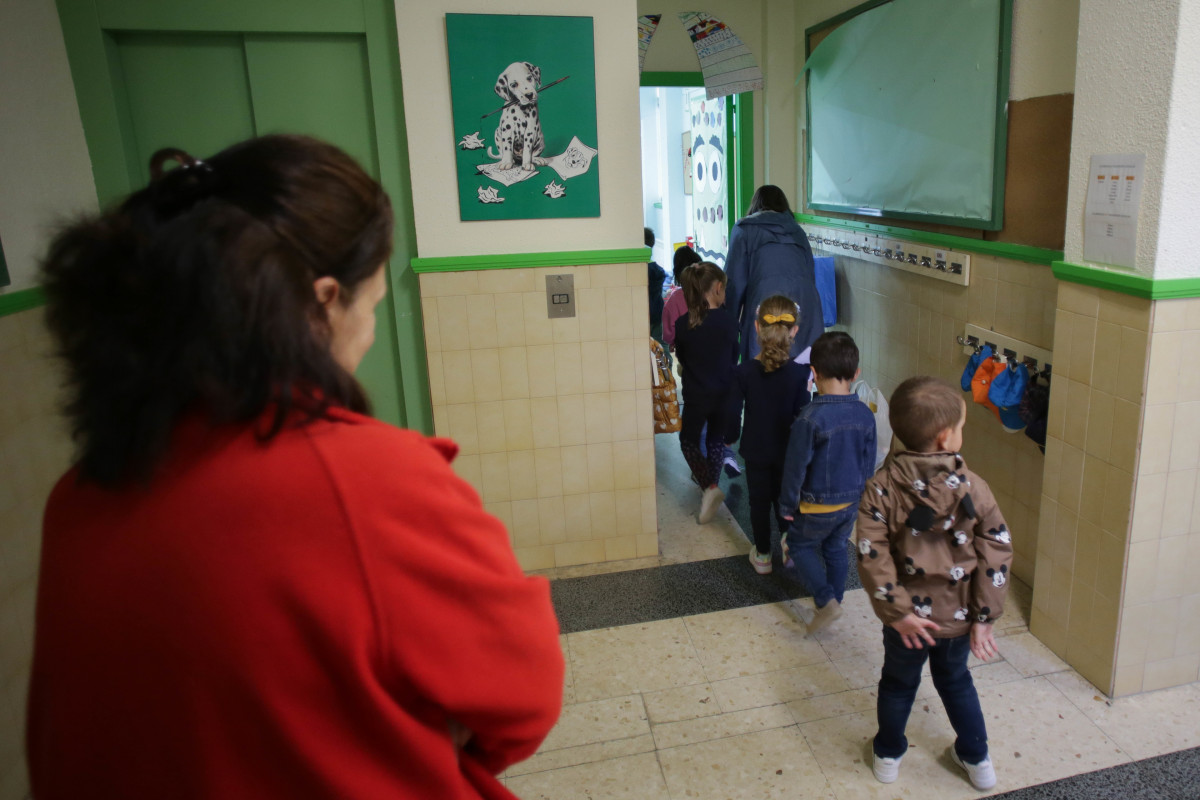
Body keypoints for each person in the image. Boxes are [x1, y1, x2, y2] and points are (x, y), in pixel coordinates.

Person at [27, 135, 564, 800]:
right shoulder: (373, 484)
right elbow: (523, 697)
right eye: (370, 306)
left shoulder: (80, 495)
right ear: (324, 301)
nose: (368, 332)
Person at [856, 376, 1012, 791]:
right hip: (957, 617)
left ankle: (888, 754)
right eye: (960, 427)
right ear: (946, 439)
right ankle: (977, 760)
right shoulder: (974, 488)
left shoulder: (880, 490)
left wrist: (899, 613)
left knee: (897, 683)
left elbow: (873, 555)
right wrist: (984, 616)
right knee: (956, 681)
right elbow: (996, 552)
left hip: (907, 621)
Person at [778, 332, 876, 633]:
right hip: (850, 503)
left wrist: (787, 504)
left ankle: (825, 600)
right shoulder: (865, 415)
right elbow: (868, 463)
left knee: (799, 545)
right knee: (835, 548)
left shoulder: (809, 418)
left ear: (814, 373)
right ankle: (835, 600)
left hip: (816, 503)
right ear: (856, 373)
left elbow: (795, 468)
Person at [731, 295, 811, 574]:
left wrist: (728, 436)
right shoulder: (801, 374)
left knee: (759, 501)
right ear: (795, 331)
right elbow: (804, 414)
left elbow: (732, 412)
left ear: (756, 327)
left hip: (755, 450)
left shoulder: (744, 372)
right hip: (789, 451)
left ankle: (763, 554)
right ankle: (788, 539)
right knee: (786, 498)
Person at [724, 185, 824, 364]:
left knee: (761, 366)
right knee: (798, 368)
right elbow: (810, 274)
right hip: (803, 304)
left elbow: (734, 283)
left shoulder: (744, 229)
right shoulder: (797, 230)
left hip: (763, 301)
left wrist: (728, 324)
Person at [673, 261, 738, 524]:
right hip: (724, 394)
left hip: (696, 396)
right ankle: (711, 487)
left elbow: (685, 360)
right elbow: (734, 356)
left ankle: (709, 488)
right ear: (718, 288)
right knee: (715, 441)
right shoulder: (730, 321)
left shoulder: (681, 324)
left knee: (688, 441)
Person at [662, 244, 701, 350]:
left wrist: (673, 342)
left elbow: (668, 335)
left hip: (688, 353)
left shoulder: (675, 299)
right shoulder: (711, 292)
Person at [645, 227, 668, 343]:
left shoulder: (641, 270)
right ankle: (666, 361)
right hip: (658, 312)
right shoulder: (658, 270)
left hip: (644, 314)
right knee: (661, 345)